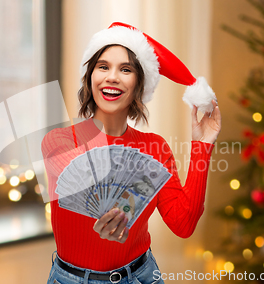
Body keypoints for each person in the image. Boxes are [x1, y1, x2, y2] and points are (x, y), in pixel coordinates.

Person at [42, 22, 221, 284]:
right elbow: (91, 195)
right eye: (103, 67)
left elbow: (183, 225)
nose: (112, 76)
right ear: (90, 77)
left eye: (125, 69)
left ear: (139, 84)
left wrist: (202, 145)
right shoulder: (58, 142)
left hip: (142, 276)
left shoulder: (155, 148)